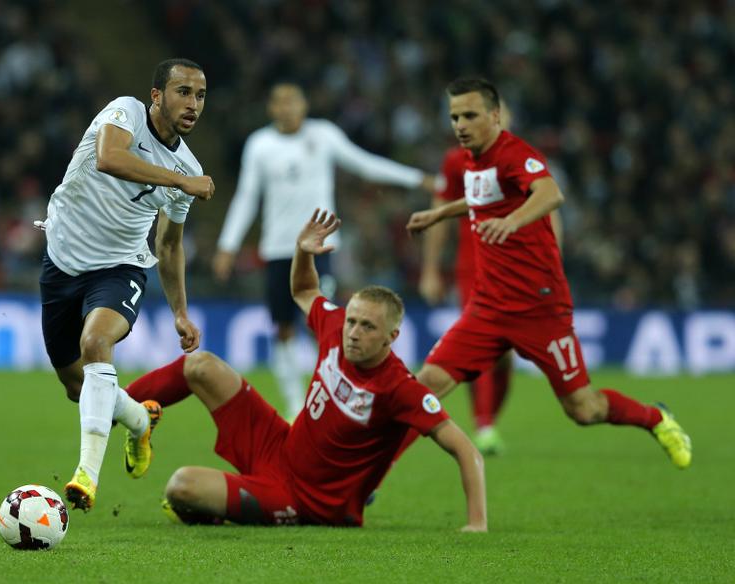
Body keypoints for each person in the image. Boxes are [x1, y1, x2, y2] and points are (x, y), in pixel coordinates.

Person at [126, 210, 487, 530]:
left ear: (391, 337)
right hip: (280, 448)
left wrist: (476, 523)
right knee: (202, 365)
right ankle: (117, 404)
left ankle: (229, 507)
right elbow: (304, 289)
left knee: (182, 486)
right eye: (353, 322)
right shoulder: (335, 328)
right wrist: (303, 251)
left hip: (308, 500)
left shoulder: (399, 388)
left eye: (367, 328)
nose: (354, 333)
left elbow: (464, 449)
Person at [405, 77, 691, 469]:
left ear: (495, 115)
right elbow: (481, 196)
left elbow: (550, 192)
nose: (460, 125)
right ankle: (368, 481)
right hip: (487, 306)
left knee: (583, 408)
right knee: (424, 387)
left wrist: (513, 221)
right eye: (455, 117)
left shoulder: (515, 153)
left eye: (470, 115)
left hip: (540, 309)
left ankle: (656, 418)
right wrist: (441, 212)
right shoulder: (472, 160)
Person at [37, 58, 215, 511]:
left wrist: (179, 310)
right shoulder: (125, 113)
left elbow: (169, 246)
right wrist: (180, 181)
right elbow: (109, 158)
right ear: (156, 96)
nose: (193, 104)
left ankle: (86, 476)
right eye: (183, 92)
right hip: (61, 263)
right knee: (76, 386)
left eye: (200, 95)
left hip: (120, 267)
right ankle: (140, 418)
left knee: (97, 342)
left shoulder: (187, 167)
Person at [212, 83, 439, 420]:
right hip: (278, 249)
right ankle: (294, 406)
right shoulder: (260, 144)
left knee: (324, 323)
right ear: (271, 109)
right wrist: (227, 246)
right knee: (284, 328)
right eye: (280, 102)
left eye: (293, 101)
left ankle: (334, 396)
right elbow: (247, 196)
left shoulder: (324, 135)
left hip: (320, 248)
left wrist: (416, 178)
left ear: (304, 105)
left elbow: (364, 164)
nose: (287, 108)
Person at [419, 101, 563, 455]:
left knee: (505, 353)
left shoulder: (521, 159)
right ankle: (483, 425)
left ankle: (489, 420)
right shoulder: (456, 162)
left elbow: (548, 209)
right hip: (474, 268)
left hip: (521, 271)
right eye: (461, 117)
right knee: (482, 346)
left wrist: (552, 263)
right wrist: (431, 269)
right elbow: (440, 214)